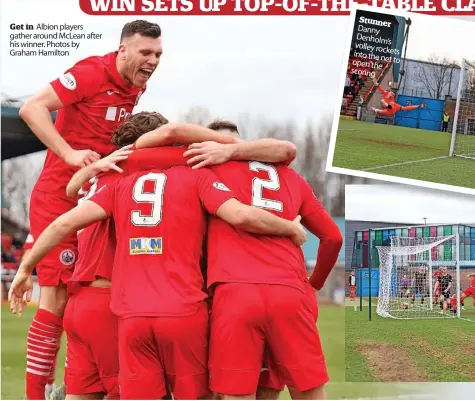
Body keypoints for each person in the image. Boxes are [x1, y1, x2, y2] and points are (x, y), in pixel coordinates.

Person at [9, 163, 306, 401]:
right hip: (150, 307)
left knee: (85, 395)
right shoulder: (180, 178)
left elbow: (66, 208)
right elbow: (241, 211)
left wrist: (25, 268)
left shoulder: (106, 181)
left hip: (92, 306)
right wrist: (290, 228)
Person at [18, 20, 163, 399]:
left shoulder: (136, 84)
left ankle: (86, 384)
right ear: (122, 51)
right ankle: (39, 393)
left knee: (98, 293)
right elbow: (32, 109)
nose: (153, 60)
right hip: (59, 197)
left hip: (98, 196)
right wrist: (68, 154)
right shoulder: (90, 73)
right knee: (58, 297)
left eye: (158, 54)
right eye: (145, 53)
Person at [185, 120, 343, 400]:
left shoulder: (204, 173)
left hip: (234, 293)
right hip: (290, 292)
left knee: (237, 391)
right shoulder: (292, 178)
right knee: (306, 390)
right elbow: (333, 237)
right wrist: (313, 284)